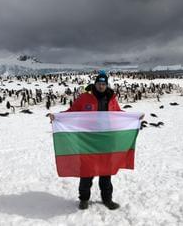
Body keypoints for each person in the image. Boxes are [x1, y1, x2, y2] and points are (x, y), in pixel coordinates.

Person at [49, 71, 144, 210]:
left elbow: (118, 114)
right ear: (95, 84)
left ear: (106, 84)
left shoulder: (111, 98)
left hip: (107, 140)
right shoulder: (84, 98)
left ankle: (107, 199)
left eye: (103, 84)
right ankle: (84, 199)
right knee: (87, 171)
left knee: (106, 172)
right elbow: (72, 111)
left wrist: (134, 118)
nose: (101, 86)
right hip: (88, 139)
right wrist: (57, 117)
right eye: (99, 83)